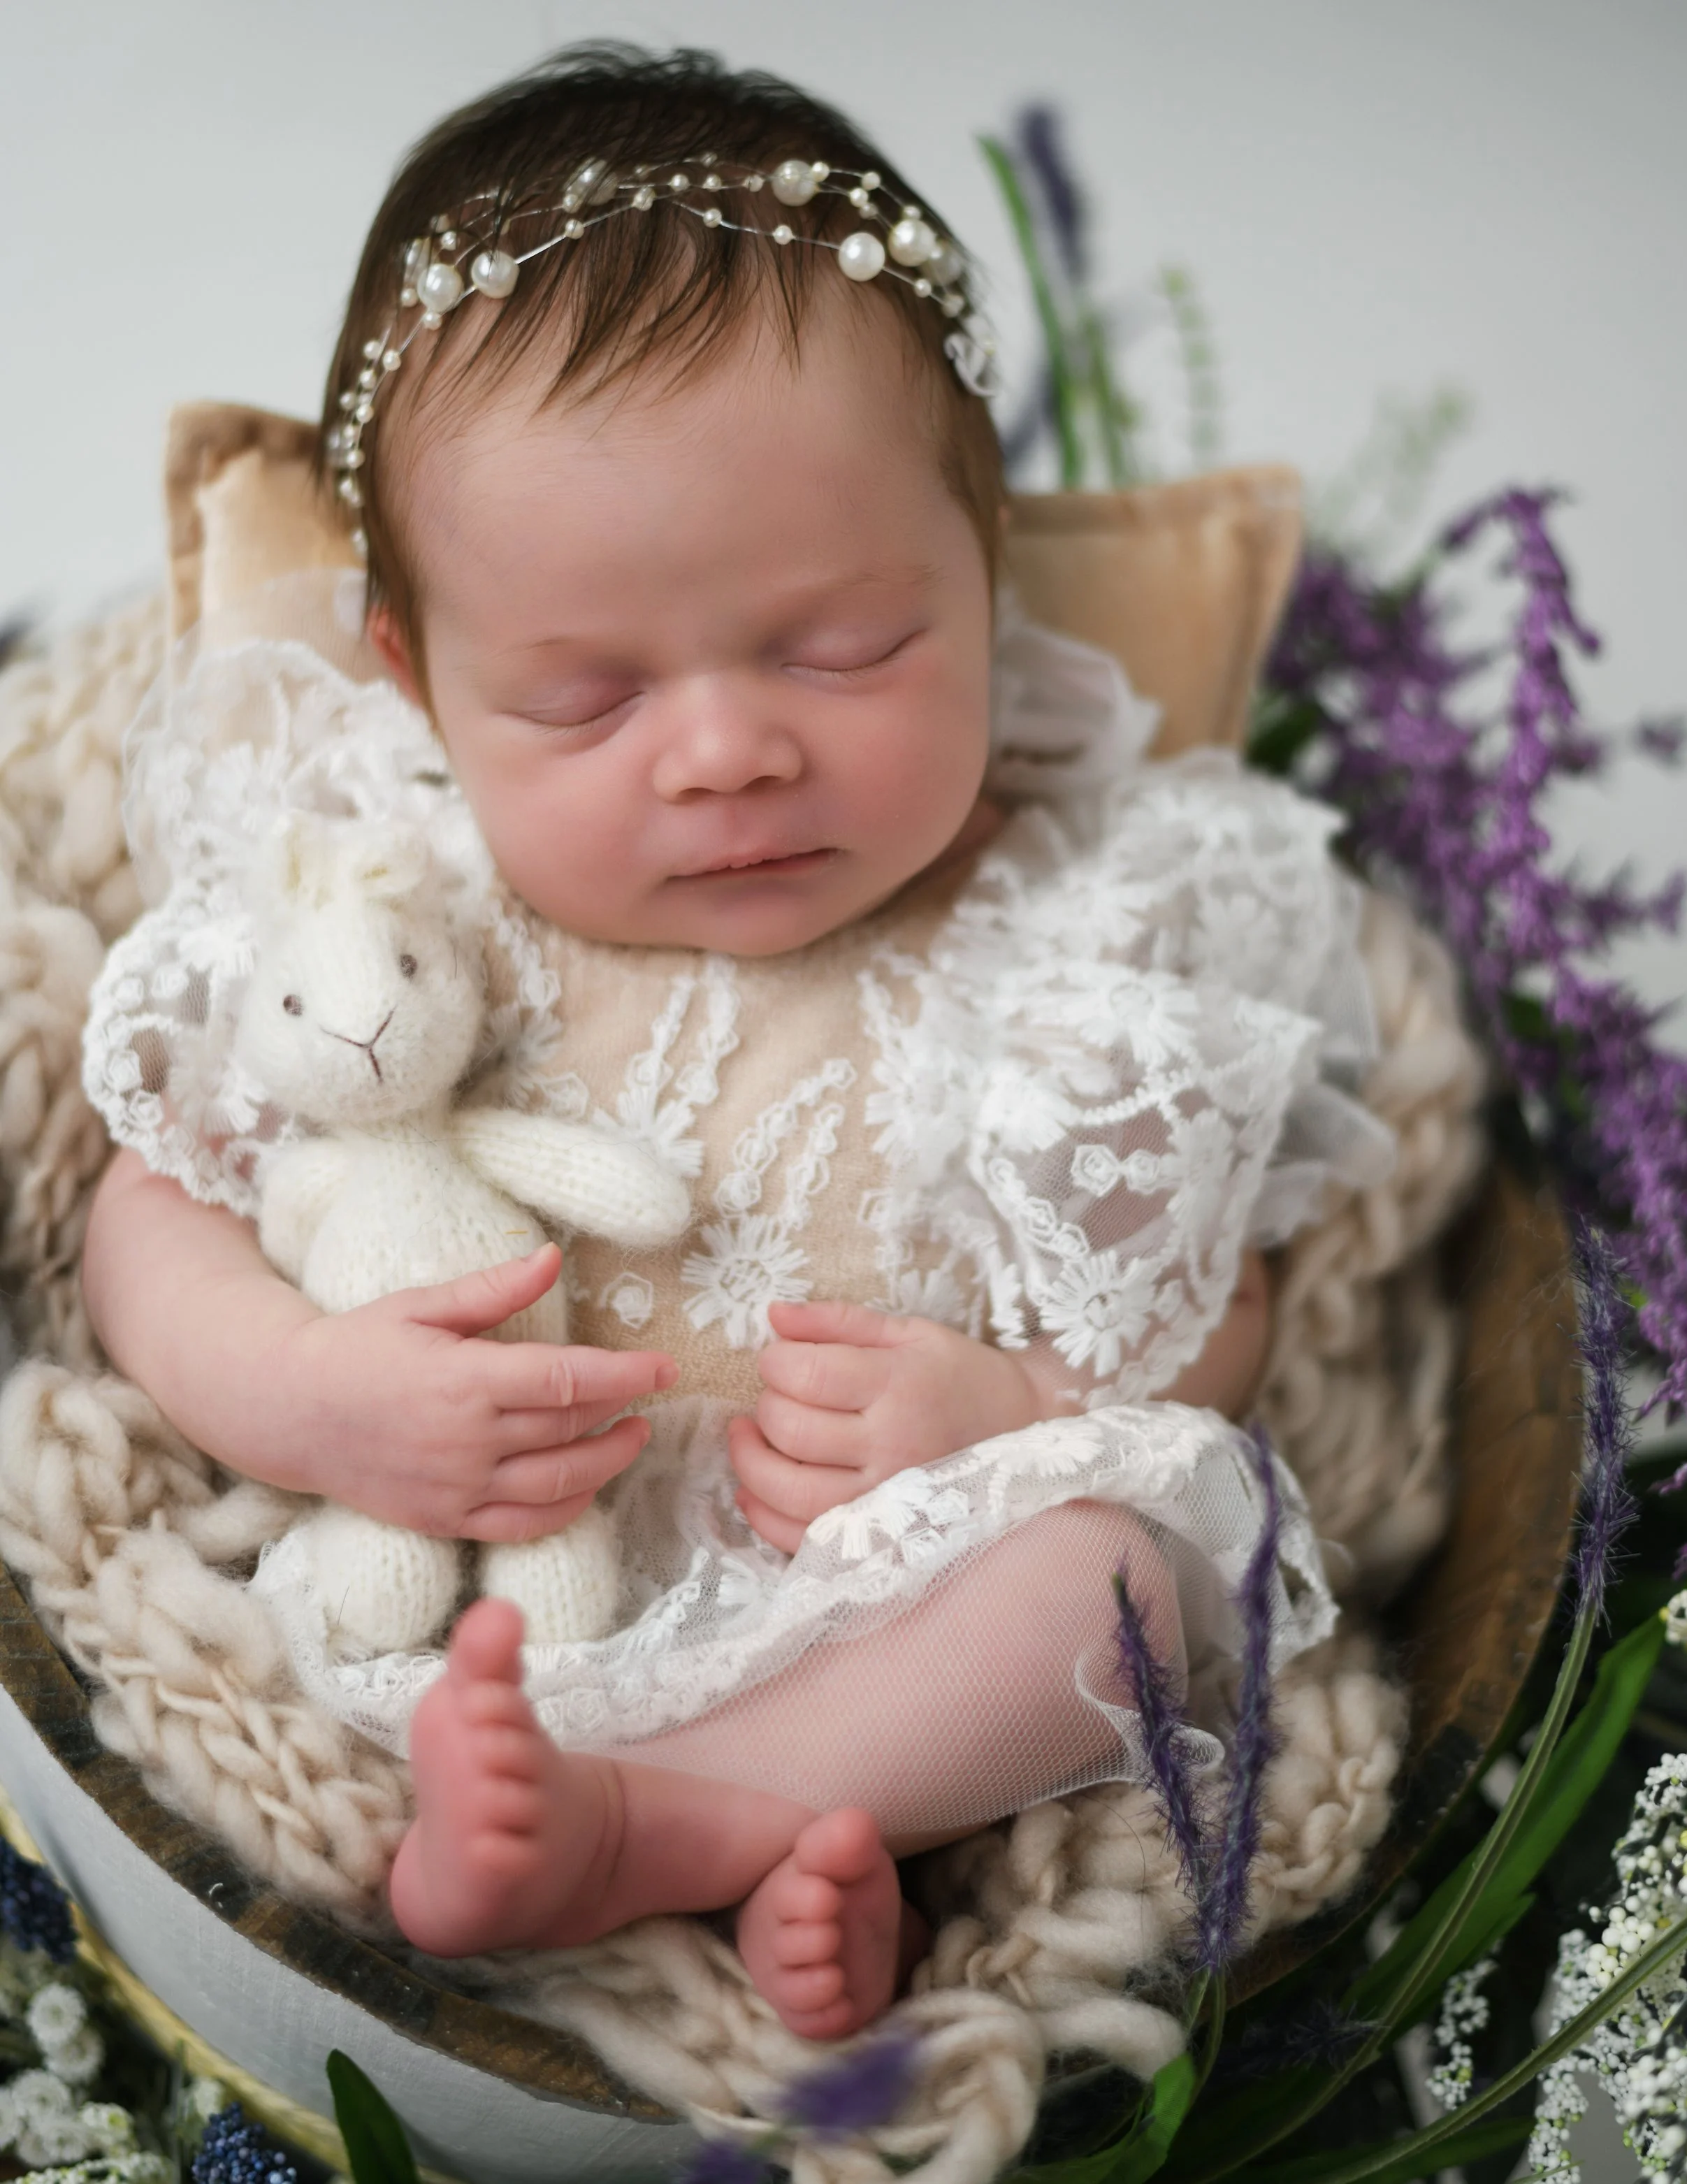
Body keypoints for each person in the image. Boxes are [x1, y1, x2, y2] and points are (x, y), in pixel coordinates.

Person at [78, 46, 1387, 2038]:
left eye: (843, 645)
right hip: (488, 1598)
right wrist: (298, 1391)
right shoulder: (391, 890)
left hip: (887, 1604)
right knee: (419, 1668)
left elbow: (1210, 1308)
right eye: (586, 698)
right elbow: (144, 1203)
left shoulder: (1080, 916)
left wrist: (1001, 1399)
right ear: (418, 675)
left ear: (984, 577)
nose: (726, 751)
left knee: (1120, 1578)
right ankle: (720, 1838)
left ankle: (707, 1827)